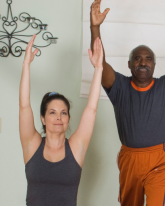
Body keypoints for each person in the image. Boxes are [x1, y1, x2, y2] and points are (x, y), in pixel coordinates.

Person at [89, 0, 165, 205]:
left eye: (148, 58)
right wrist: (94, 27)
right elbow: (99, 62)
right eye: (137, 58)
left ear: (154, 64)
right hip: (129, 158)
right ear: (129, 64)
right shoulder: (119, 86)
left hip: (159, 158)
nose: (143, 62)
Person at [20, 35, 104, 205]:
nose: (58, 117)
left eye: (63, 113)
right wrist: (26, 65)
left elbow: (91, 109)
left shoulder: (75, 147)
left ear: (68, 118)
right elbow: (24, 106)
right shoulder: (32, 144)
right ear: (42, 119)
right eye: (52, 112)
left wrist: (99, 69)